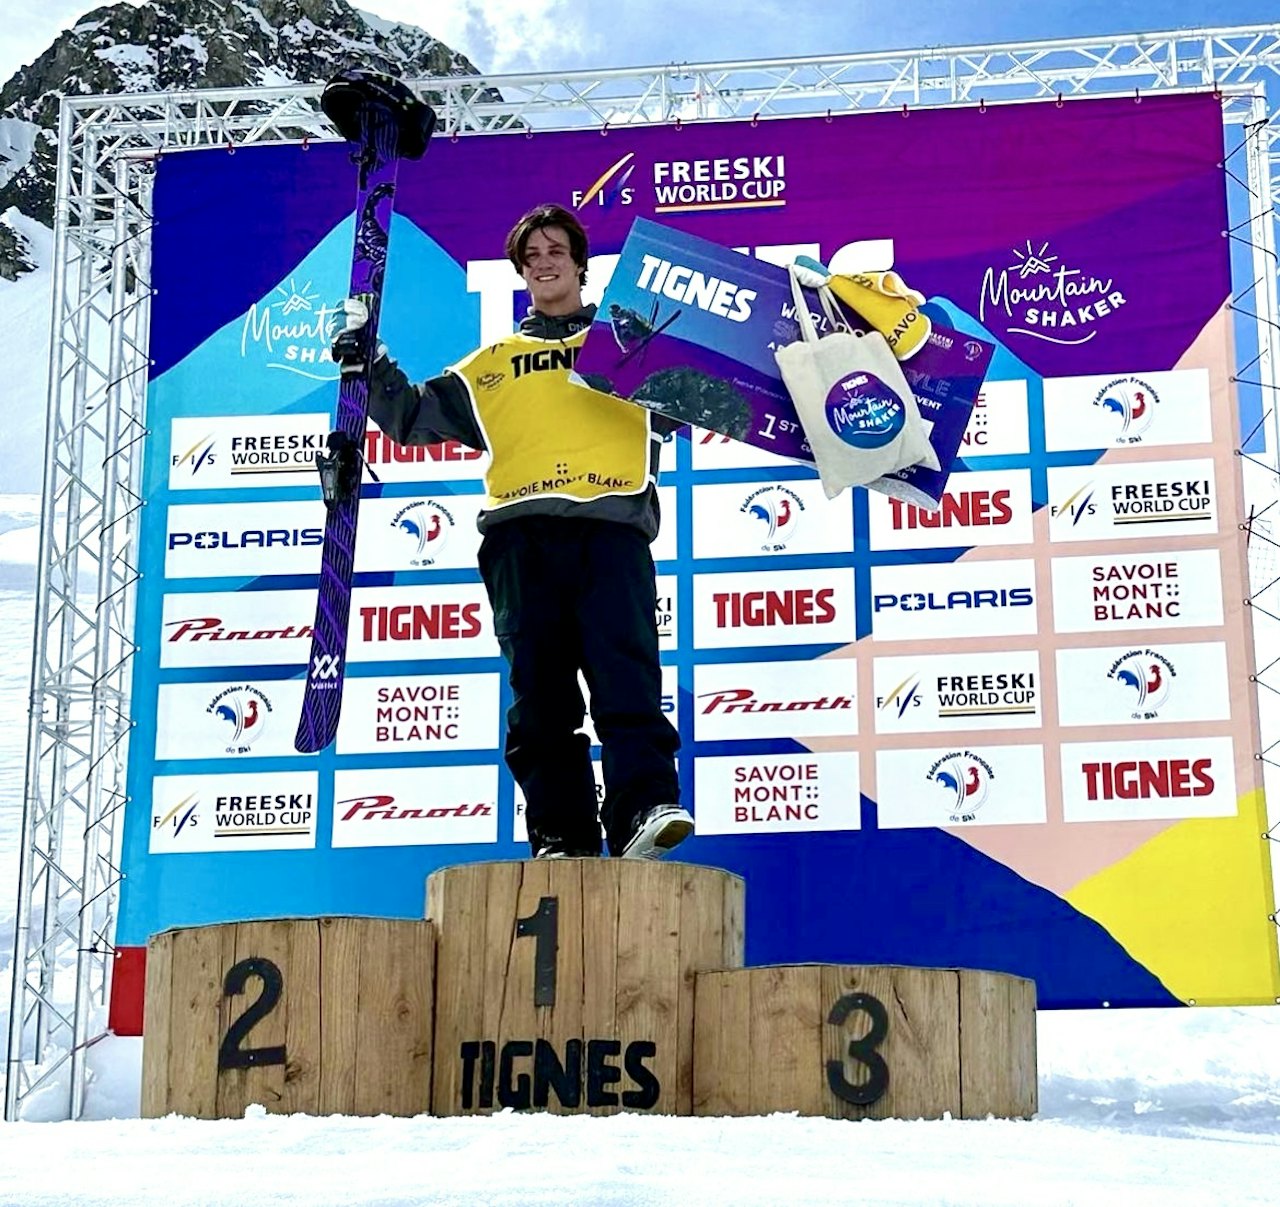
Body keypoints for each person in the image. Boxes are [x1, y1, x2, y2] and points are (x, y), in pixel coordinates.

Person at [332, 203, 692, 861]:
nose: (545, 262)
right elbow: (410, 417)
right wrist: (368, 360)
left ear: (581, 263)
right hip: (520, 543)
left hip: (611, 534)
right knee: (540, 698)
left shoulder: (627, 345)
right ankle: (561, 834)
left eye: (556, 250)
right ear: (521, 273)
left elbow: (703, 403)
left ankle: (642, 809)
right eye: (532, 256)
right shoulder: (491, 364)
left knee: (627, 683)